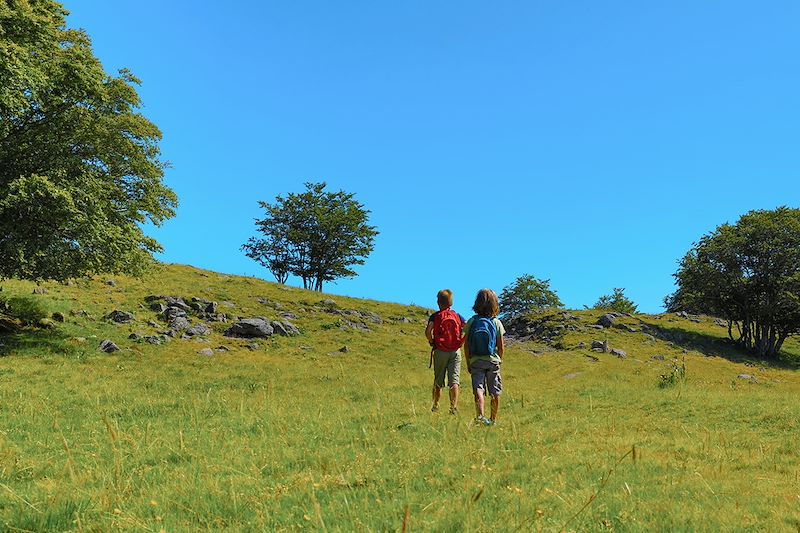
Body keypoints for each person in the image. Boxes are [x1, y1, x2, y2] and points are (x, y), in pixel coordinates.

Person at [463, 288, 505, 426]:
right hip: (493, 361)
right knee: (495, 390)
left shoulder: (472, 322)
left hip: (476, 360)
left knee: (478, 389)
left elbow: (466, 345)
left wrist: (469, 362)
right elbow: (501, 346)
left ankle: (480, 417)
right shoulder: (496, 323)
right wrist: (499, 359)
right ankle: (493, 420)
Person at [425, 289, 466, 414]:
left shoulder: (435, 316)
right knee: (454, 381)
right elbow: (467, 328)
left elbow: (427, 331)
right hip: (455, 351)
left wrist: (432, 341)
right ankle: (453, 407)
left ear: (438, 302)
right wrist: (461, 342)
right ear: (451, 303)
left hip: (440, 351)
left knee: (438, 380)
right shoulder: (458, 316)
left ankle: (436, 405)